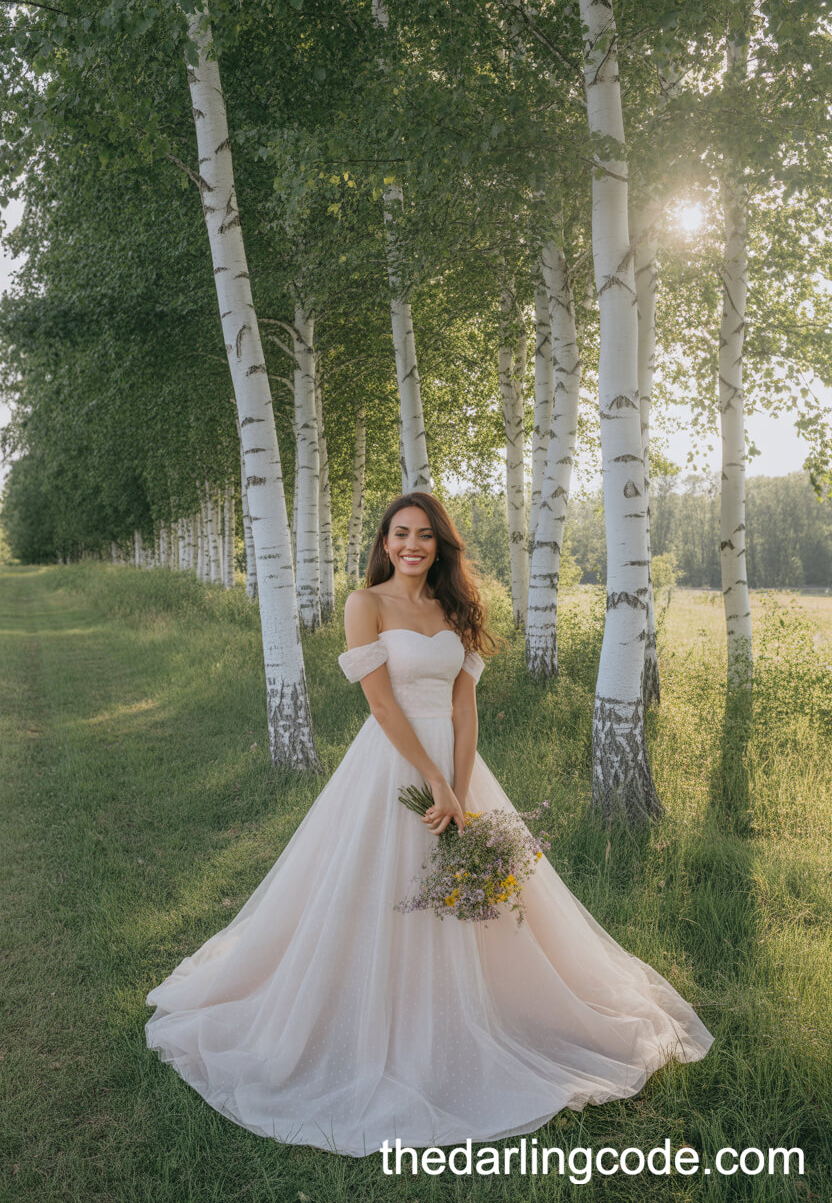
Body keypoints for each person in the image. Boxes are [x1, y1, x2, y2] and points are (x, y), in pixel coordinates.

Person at [145, 491, 714, 1158]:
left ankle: (477, 1015)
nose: (411, 545)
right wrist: (434, 780)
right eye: (400, 534)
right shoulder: (367, 605)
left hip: (458, 767)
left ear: (440, 544)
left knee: (476, 896)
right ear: (383, 543)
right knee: (381, 889)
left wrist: (463, 788)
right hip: (391, 766)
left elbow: (464, 706)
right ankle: (370, 1017)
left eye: (424, 535)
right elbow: (384, 708)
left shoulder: (455, 609)